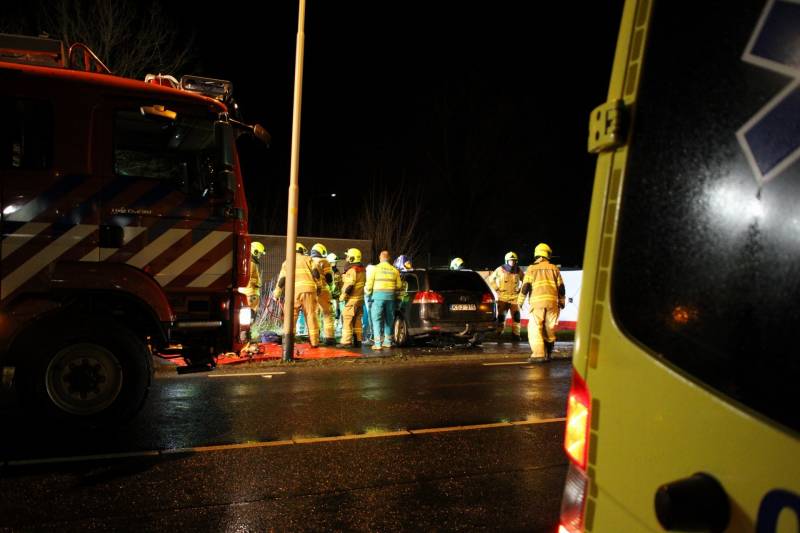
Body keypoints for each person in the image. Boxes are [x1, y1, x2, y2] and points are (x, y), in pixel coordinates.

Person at [517, 243, 565, 363]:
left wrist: (520, 301)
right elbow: (561, 288)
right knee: (549, 328)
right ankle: (548, 353)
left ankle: (538, 355)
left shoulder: (531, 269)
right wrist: (562, 301)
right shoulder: (554, 268)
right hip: (552, 303)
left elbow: (525, 287)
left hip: (537, 304)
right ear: (548, 254)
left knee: (535, 328)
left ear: (536, 254)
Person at [273, 242, 324, 348]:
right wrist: (319, 286)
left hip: (293, 292)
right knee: (311, 315)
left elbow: (282, 280)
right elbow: (316, 273)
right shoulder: (308, 259)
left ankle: (289, 343)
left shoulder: (287, 262)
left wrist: (277, 293)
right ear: (302, 250)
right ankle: (314, 342)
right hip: (309, 291)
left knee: (290, 316)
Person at [365, 250, 403, 350]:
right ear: (389, 258)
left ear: (380, 258)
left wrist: (368, 294)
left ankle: (377, 344)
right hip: (390, 298)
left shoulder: (375, 269)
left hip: (377, 297)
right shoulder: (394, 270)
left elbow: (369, 284)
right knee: (389, 319)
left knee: (376, 319)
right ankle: (388, 342)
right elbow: (399, 285)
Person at [490, 251, 524, 342]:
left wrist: (520, 290)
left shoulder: (518, 270)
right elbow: (491, 279)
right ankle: (499, 334)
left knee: (516, 317)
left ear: (516, 261)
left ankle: (516, 335)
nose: (512, 262)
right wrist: (497, 289)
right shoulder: (500, 269)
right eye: (510, 260)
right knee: (501, 318)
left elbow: (525, 281)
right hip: (503, 298)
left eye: (514, 260)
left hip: (515, 299)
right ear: (506, 261)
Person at [337, 248, 367, 348]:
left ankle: (346, 342)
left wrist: (343, 296)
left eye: (348, 256)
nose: (346, 258)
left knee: (347, 319)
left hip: (352, 300)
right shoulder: (362, 270)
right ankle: (358, 340)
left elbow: (349, 286)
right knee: (357, 320)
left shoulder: (352, 270)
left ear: (352, 258)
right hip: (360, 299)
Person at [310, 243, 336, 345]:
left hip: (312, 292)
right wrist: (331, 286)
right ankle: (329, 338)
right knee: (327, 313)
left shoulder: (308, 261)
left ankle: (315, 337)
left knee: (314, 314)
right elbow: (328, 276)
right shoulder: (324, 261)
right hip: (323, 291)